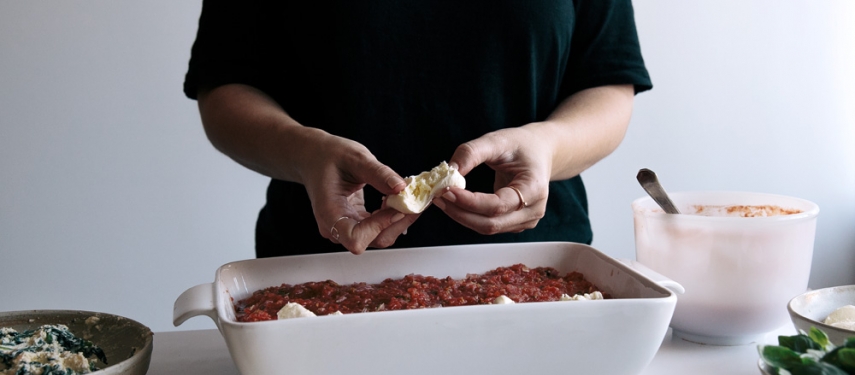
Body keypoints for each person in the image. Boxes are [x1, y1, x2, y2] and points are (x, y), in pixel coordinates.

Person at [184, 0, 651, 257]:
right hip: (326, 267)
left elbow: (607, 84)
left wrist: (548, 145)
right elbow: (226, 88)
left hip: (534, 264)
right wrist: (305, 152)